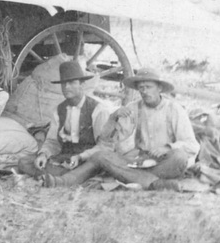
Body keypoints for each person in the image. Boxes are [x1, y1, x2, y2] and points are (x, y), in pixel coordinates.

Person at [43, 68, 200, 191]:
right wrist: (113, 119)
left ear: (159, 88)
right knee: (101, 156)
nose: (144, 92)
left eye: (148, 87)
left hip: (164, 163)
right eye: (141, 88)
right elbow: (110, 143)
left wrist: (167, 147)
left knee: (179, 156)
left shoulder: (174, 109)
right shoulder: (133, 108)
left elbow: (192, 145)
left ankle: (138, 179)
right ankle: (63, 181)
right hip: (139, 162)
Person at [17, 61, 114, 179]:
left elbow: (104, 146)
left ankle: (64, 177)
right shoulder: (58, 110)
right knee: (24, 162)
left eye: (72, 83)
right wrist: (43, 155)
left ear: (82, 84)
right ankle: (65, 176)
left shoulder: (98, 110)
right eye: (64, 83)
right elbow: (53, 142)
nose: (67, 87)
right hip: (65, 159)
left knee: (89, 167)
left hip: (88, 160)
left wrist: (81, 157)